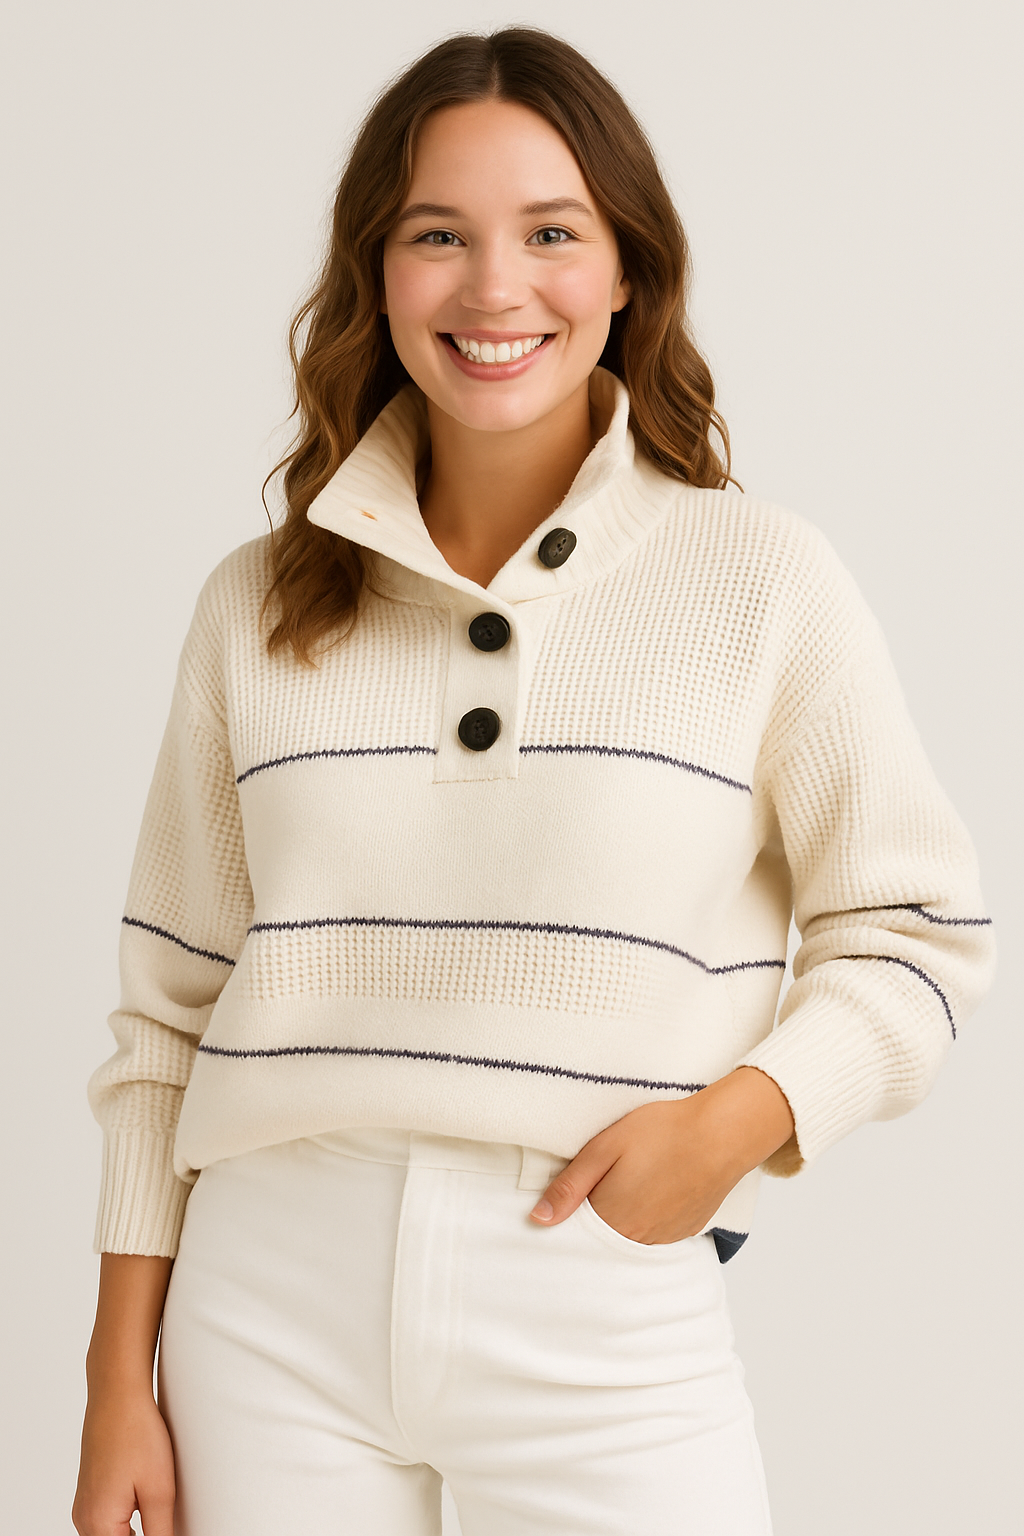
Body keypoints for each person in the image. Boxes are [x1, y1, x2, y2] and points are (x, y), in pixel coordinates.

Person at [72, 24, 995, 1536]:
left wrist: (737, 1122)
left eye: (553, 233)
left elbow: (917, 936)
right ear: (378, 273)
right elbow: (167, 1013)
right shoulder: (256, 602)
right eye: (438, 235)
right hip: (266, 1299)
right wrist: (118, 1378)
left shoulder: (760, 580)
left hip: (599, 1293)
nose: (495, 288)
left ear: (628, 270)